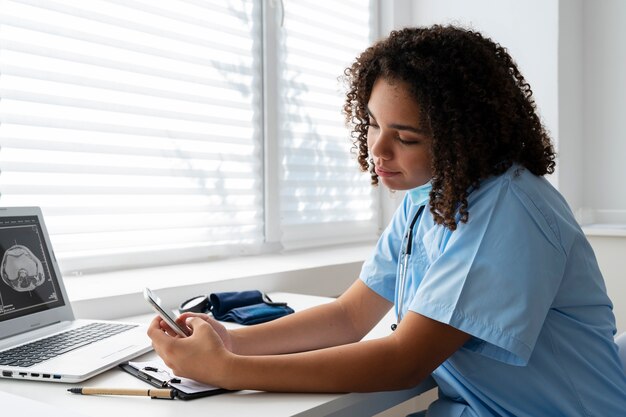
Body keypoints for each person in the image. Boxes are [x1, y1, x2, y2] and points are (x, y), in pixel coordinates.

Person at [148, 25, 626, 416]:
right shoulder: (428, 199)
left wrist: (228, 370)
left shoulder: (509, 209)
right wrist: (233, 339)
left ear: (463, 138)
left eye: (406, 137)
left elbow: (405, 359)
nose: (377, 149)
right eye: (374, 123)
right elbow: (349, 315)